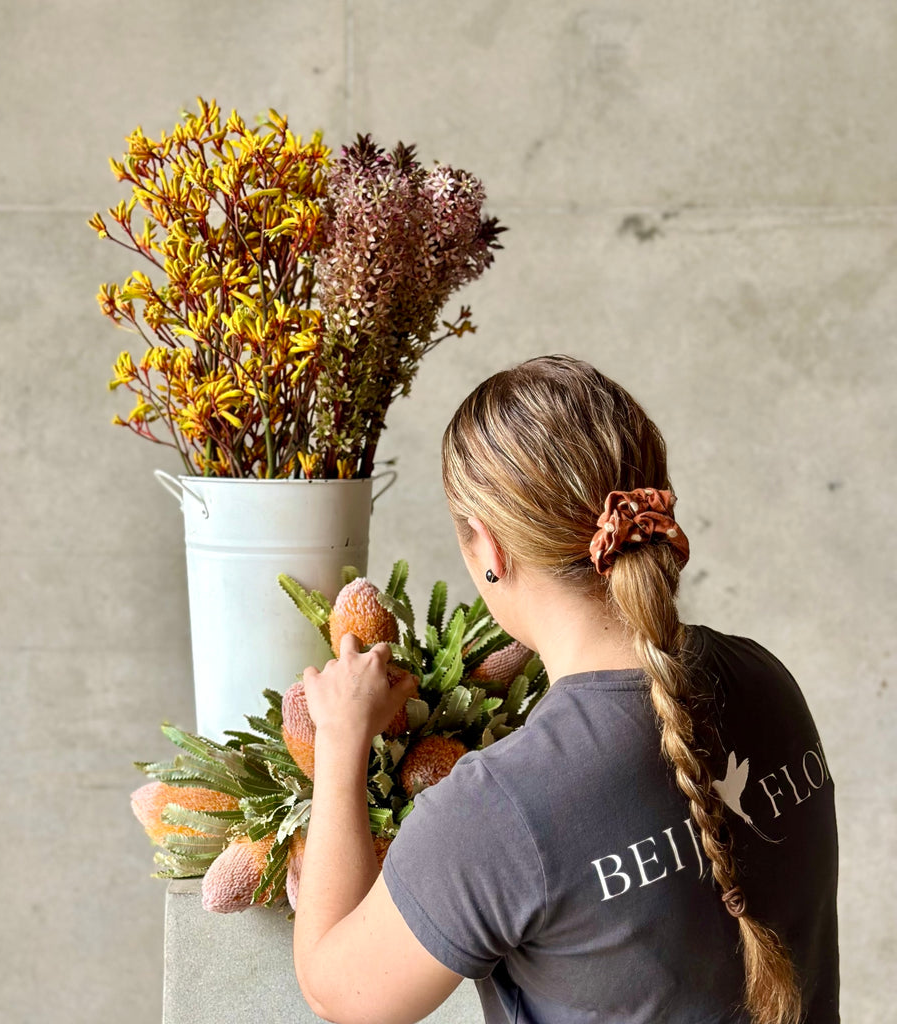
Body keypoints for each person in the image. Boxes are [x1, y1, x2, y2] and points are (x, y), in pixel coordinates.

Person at [293, 355, 839, 1024]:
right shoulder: (764, 678)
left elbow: (337, 993)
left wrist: (344, 740)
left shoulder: (500, 809)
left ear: (489, 551)